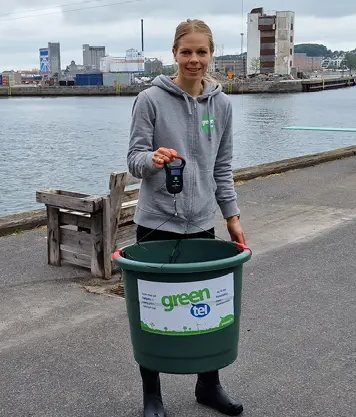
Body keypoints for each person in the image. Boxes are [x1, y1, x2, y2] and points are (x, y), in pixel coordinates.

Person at [125, 18, 247, 417]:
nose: (194, 60)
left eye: (202, 52)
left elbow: (222, 168)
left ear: (211, 54)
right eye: (186, 52)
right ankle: (152, 394)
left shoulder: (222, 104)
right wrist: (153, 159)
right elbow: (134, 161)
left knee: (207, 308)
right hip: (156, 221)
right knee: (154, 308)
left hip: (201, 222)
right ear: (174, 54)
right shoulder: (150, 100)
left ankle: (208, 386)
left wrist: (231, 217)